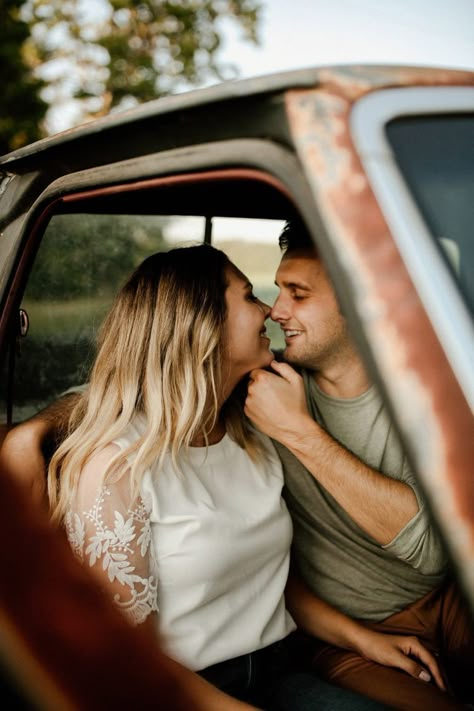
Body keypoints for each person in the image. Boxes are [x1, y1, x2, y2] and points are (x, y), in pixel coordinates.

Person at [1, 244, 444, 710]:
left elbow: (265, 577)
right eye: (251, 297)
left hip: (282, 668)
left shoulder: (254, 426)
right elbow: (133, 660)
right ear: (203, 323)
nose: (270, 311)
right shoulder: (117, 467)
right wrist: (30, 433)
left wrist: (363, 639)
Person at [244, 220, 474, 710]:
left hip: (455, 596)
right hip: (351, 632)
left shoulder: (425, 387)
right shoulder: (260, 389)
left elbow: (430, 550)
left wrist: (300, 433)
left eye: (298, 294)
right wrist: (39, 428)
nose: (275, 311)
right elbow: (150, 389)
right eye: (277, 290)